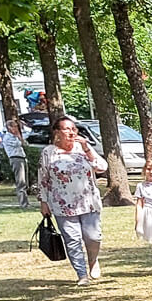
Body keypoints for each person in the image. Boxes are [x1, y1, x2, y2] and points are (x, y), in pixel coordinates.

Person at [37, 116, 108, 285]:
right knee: (73, 239)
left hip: (88, 201)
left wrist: (86, 148)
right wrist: (43, 201)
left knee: (93, 236)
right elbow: (43, 179)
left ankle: (93, 259)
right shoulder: (49, 152)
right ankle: (82, 274)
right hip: (62, 204)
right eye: (66, 129)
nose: (71, 132)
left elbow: (102, 167)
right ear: (57, 132)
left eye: (73, 129)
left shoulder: (83, 148)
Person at [0, 120, 30, 208]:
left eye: (16, 126)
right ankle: (23, 204)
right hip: (15, 158)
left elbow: (26, 139)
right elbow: (18, 144)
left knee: (25, 182)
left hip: (22, 158)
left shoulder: (16, 136)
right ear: (9, 128)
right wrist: (19, 136)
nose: (16, 128)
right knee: (20, 181)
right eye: (14, 126)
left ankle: (26, 202)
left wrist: (23, 126)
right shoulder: (7, 137)